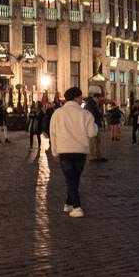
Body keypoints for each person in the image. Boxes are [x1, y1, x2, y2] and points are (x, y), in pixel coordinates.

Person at [48, 87, 97, 217]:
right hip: (80, 151)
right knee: (74, 178)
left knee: (71, 178)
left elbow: (52, 134)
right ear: (76, 98)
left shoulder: (57, 113)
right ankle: (77, 207)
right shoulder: (86, 114)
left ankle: (69, 203)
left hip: (64, 151)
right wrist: (95, 125)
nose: (82, 99)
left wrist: (54, 152)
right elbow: (92, 133)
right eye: (81, 97)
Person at [88, 95, 107, 163]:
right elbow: (93, 114)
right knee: (92, 141)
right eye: (99, 99)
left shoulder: (95, 104)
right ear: (95, 98)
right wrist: (100, 114)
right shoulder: (90, 104)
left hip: (96, 124)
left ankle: (98, 156)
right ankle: (92, 156)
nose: (99, 100)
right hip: (92, 124)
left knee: (98, 141)